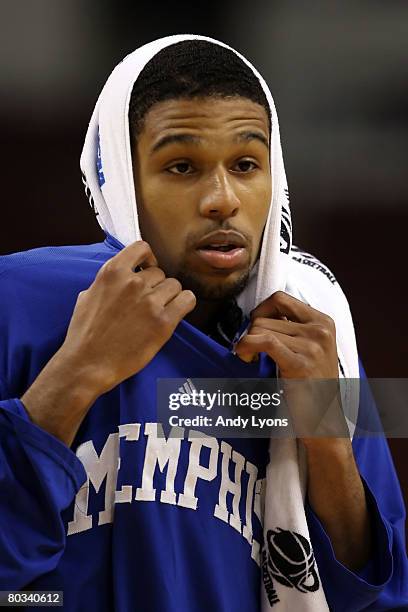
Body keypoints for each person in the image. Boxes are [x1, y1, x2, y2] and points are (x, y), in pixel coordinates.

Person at [0, 35, 407, 612]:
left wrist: (328, 438)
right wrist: (77, 372)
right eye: (182, 166)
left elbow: (378, 597)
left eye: (246, 164)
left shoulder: (314, 336)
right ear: (122, 176)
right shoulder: (16, 301)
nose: (222, 199)